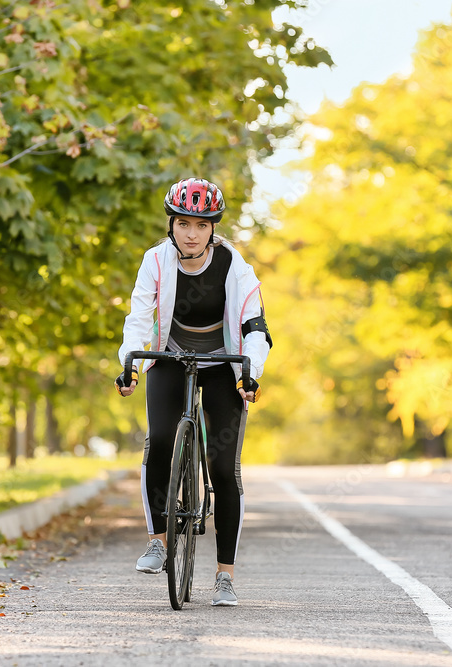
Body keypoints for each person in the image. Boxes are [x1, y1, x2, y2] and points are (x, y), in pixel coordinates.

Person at [114, 177, 272, 607]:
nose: (190, 233)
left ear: (212, 229)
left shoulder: (233, 265)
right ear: (171, 224)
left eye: (200, 226)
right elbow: (138, 318)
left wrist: (249, 373)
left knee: (224, 468)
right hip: (172, 356)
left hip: (224, 362)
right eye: (182, 223)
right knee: (161, 440)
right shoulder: (156, 260)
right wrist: (131, 365)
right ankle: (158, 542)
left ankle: (224, 576)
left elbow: (255, 326)